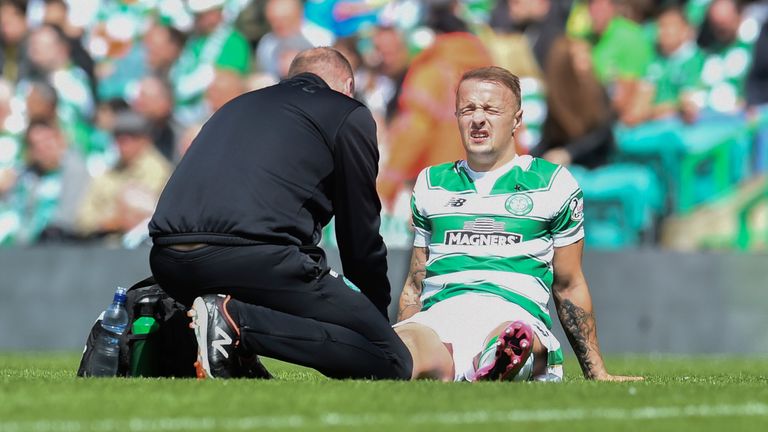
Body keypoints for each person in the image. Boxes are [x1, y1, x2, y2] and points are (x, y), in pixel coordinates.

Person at [148, 47, 412, 380]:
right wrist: (374, 316)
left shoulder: (236, 105)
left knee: (244, 366)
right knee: (392, 360)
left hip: (168, 262)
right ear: (347, 86)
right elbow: (358, 230)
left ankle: (192, 327)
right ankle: (232, 321)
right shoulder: (347, 111)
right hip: (253, 258)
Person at [393, 66, 643, 383]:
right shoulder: (430, 183)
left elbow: (569, 284)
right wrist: (408, 326)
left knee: (515, 335)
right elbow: (415, 285)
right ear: (456, 115)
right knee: (411, 342)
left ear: (517, 119)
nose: (478, 119)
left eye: (490, 109)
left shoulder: (552, 183)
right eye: (468, 109)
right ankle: (435, 364)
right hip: (440, 317)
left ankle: (497, 359)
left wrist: (597, 372)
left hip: (513, 312)